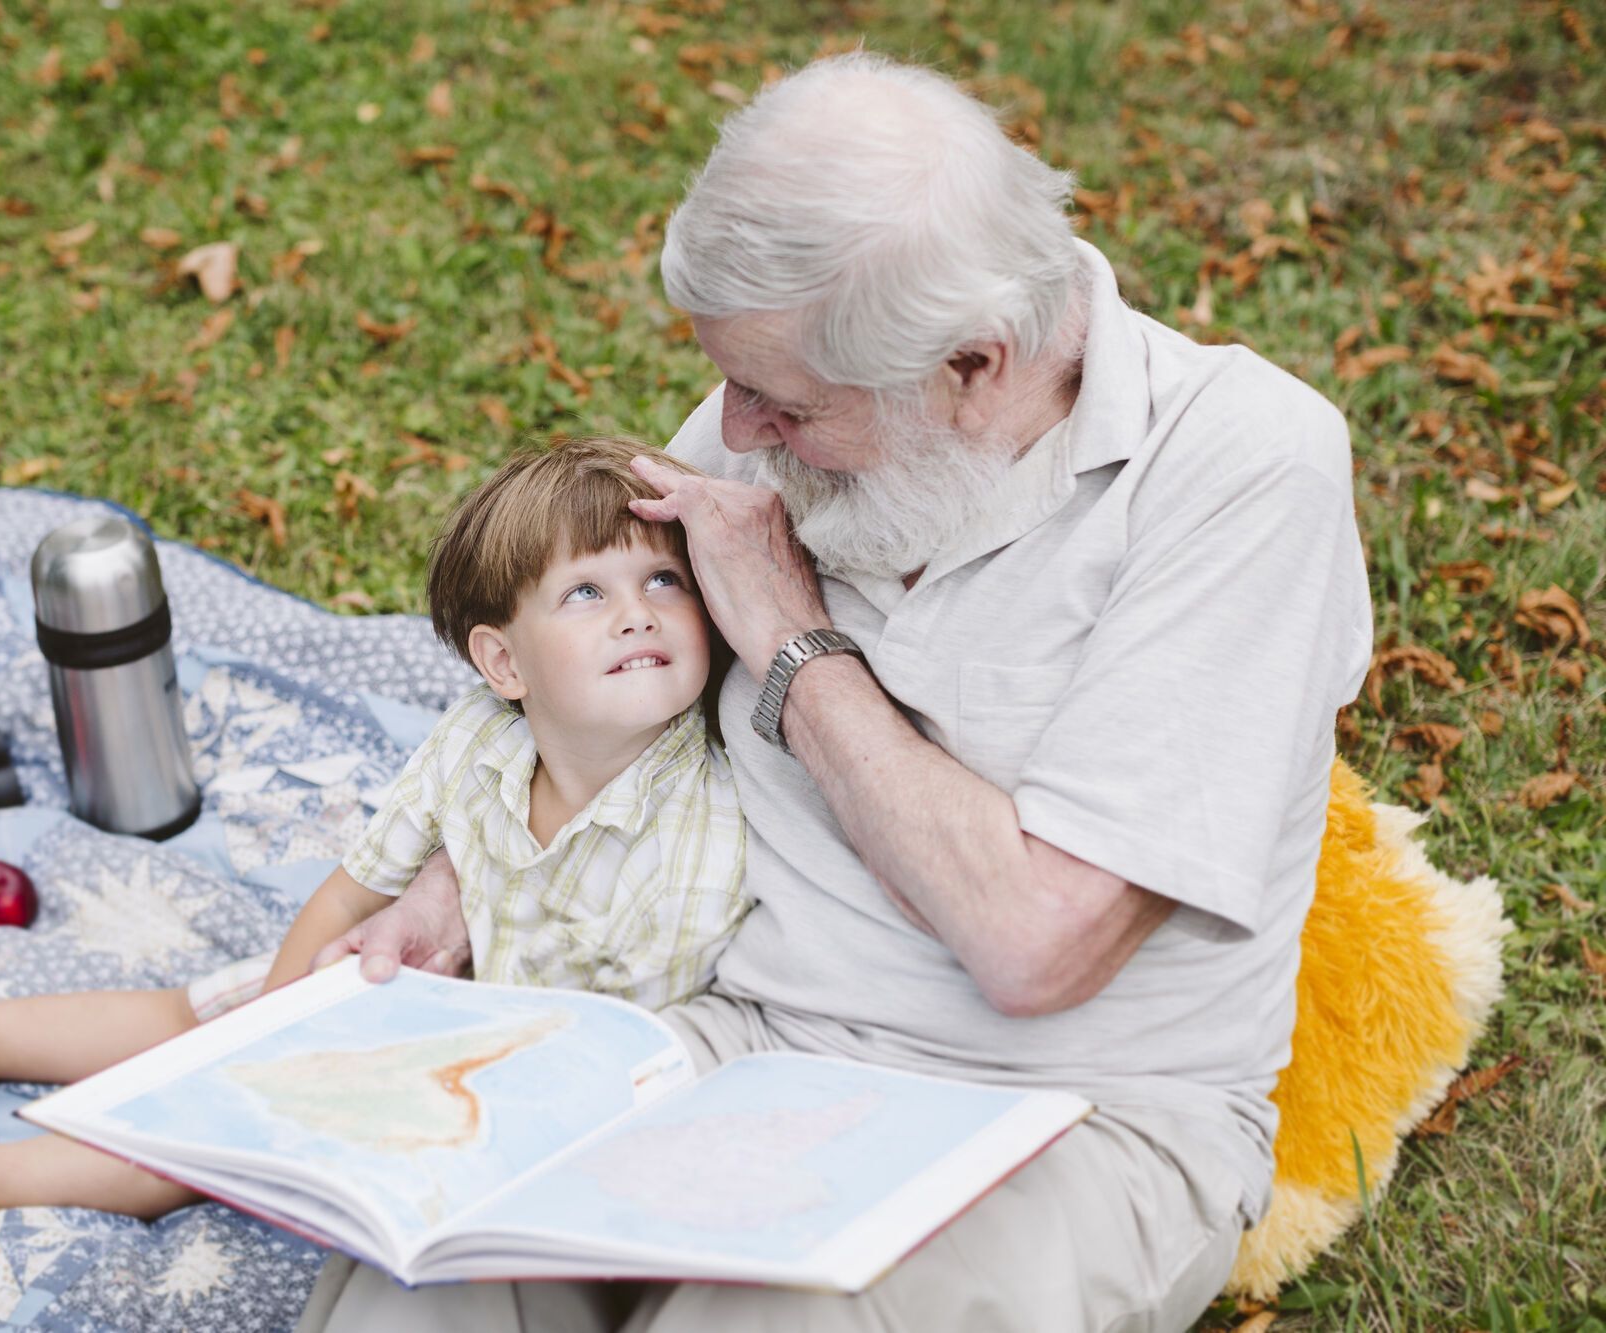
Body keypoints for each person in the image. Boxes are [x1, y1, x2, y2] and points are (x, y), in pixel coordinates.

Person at [295, 53, 1374, 1333]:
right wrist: (456, 880)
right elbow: (612, 680)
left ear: (972, 364)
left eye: (782, 403)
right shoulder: (793, 409)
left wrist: (798, 647)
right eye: (730, 380)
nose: (732, 430)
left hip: (1063, 1114)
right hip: (728, 1030)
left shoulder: (1240, 469)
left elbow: (1038, 943)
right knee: (422, 1245)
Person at [0, 435, 751, 1258]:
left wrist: (287, 1072)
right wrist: (273, 1013)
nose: (636, 614)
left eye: (663, 580)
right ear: (501, 661)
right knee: (199, 1012)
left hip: (507, 1085)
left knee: (228, 1123)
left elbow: (621, 1050)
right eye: (587, 593)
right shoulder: (478, 744)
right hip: (423, 984)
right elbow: (355, 889)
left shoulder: (695, 820)